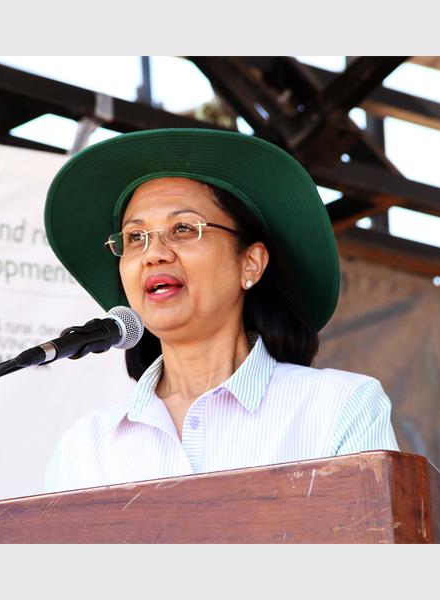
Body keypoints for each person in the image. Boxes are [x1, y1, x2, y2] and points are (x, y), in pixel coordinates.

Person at [42, 128, 399, 493]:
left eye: (183, 228)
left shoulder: (337, 408)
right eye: (135, 237)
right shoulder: (85, 448)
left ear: (250, 264)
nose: (154, 254)